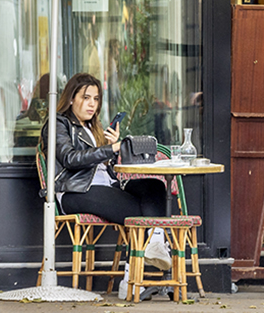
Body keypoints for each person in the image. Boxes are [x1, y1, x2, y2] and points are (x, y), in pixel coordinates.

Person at [41, 72, 171, 271]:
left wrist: (109, 148)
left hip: (104, 186)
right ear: (71, 98)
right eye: (86, 98)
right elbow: (70, 159)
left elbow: (103, 167)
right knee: (141, 214)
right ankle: (136, 273)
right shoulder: (59, 123)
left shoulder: (93, 127)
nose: (92, 104)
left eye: (95, 99)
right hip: (75, 191)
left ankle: (155, 243)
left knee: (154, 185)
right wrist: (111, 148)